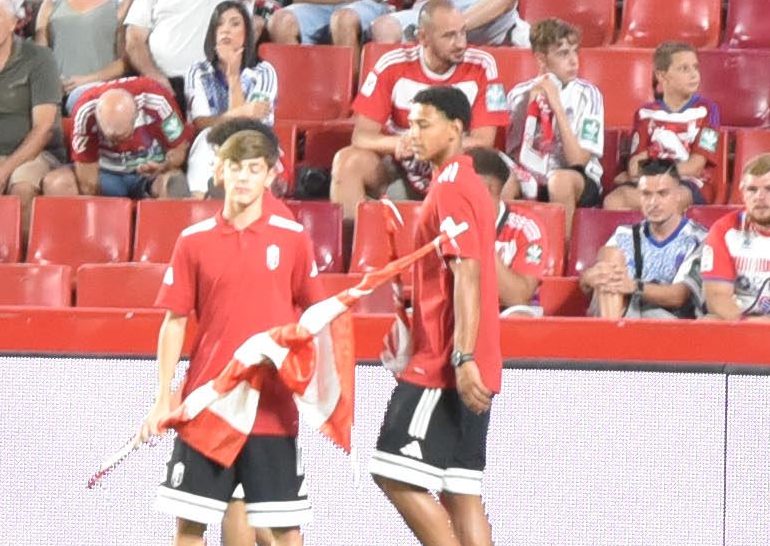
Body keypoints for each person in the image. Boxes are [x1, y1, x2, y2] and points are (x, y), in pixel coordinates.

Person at [144, 117, 339, 546]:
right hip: (207, 403)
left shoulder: (293, 238)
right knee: (190, 526)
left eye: (254, 168)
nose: (244, 177)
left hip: (271, 406)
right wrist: (163, 396)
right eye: (235, 167)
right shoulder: (192, 240)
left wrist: (307, 381)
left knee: (285, 529)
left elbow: (317, 318)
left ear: (270, 176)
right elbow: (174, 320)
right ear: (219, 170)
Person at [365, 81, 507, 546]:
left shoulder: (449, 186)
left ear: (455, 128)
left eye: (424, 124)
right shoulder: (466, 185)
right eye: (410, 125)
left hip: (445, 364)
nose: (414, 134)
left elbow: (468, 273)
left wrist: (461, 357)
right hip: (472, 357)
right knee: (460, 491)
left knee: (392, 471)